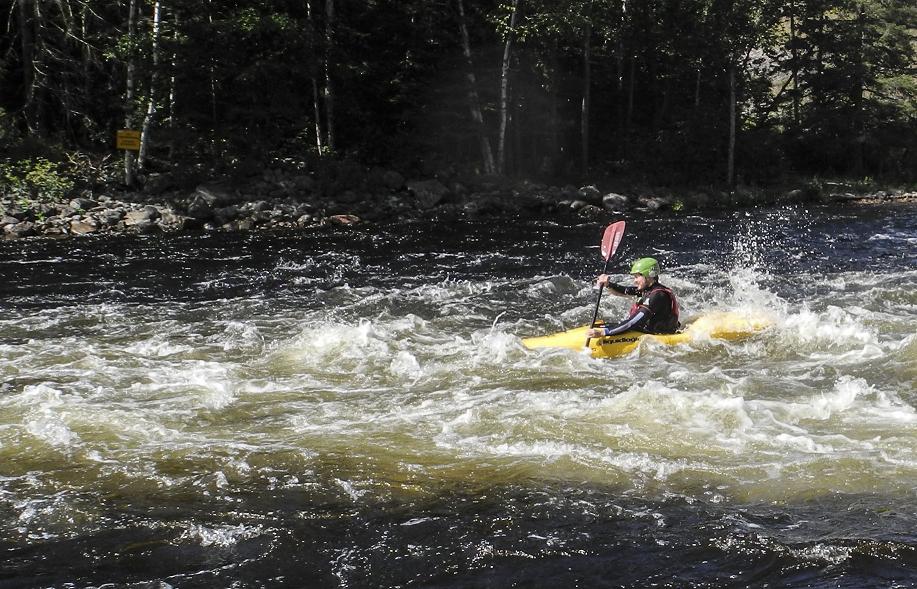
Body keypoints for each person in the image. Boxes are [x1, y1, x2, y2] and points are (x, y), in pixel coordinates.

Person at [585, 257, 680, 338]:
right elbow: (624, 291)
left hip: (659, 336)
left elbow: (633, 322)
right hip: (647, 329)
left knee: (606, 328)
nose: (634, 281)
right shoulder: (647, 290)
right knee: (601, 325)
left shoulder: (658, 296)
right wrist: (607, 284)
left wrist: (604, 332)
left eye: (636, 277)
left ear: (649, 276)